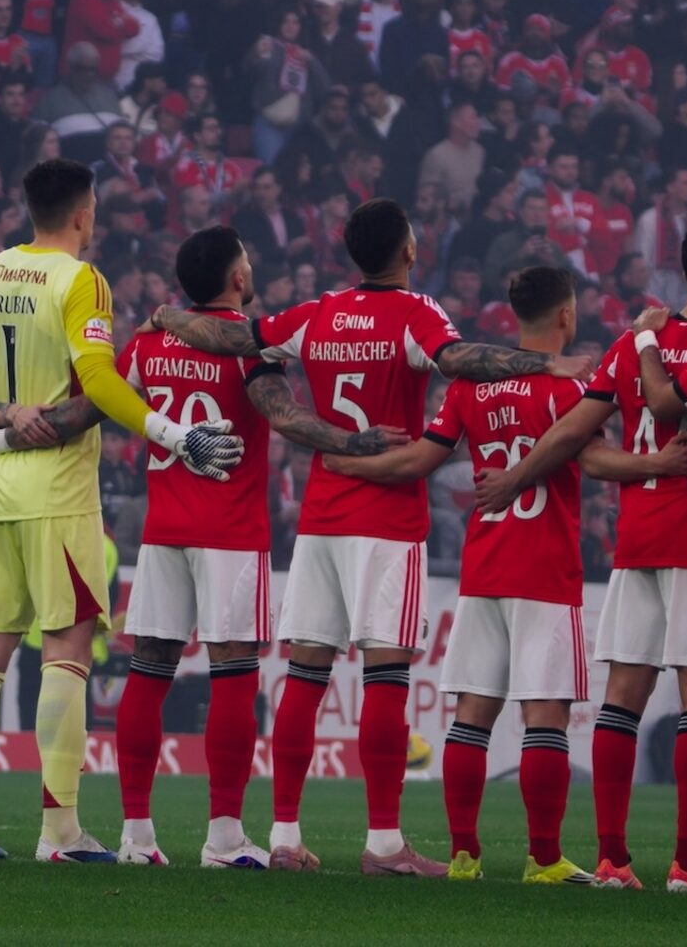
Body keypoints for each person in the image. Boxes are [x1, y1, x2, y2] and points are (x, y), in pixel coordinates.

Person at [146, 198, 594, 876]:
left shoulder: (317, 313)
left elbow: (235, 339)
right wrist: (539, 365)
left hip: (323, 516)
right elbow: (460, 360)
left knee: (304, 675)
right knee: (385, 675)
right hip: (386, 517)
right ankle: (384, 843)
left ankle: (286, 836)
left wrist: (173, 316)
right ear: (408, 252)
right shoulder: (415, 314)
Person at [0, 159, 241, 863]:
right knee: (65, 654)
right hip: (57, 490)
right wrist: (174, 434)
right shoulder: (81, 280)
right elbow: (98, 383)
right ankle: (59, 832)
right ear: (84, 211)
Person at [326, 266, 683, 885]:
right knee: (544, 718)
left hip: (483, 564)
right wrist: (662, 462)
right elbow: (596, 460)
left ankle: (465, 854)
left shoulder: (470, 386)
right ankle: (544, 858)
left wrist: (349, 463)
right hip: (544, 569)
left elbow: (420, 458)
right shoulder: (571, 388)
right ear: (566, 317)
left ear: (512, 316)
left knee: (471, 716)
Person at [473, 217, 687, 891]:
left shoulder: (638, 345)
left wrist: (514, 479)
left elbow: (571, 431)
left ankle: (612, 858)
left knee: (621, 700)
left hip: (637, 543)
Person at [108, 226, 401, 869]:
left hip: (162, 532)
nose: (252, 267)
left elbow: (103, 403)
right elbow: (285, 417)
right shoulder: (249, 348)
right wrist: (353, 442)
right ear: (237, 279)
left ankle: (136, 838)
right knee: (234, 682)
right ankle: (223, 840)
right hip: (230, 534)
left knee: (147, 675)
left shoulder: (152, 340)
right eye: (248, 260)